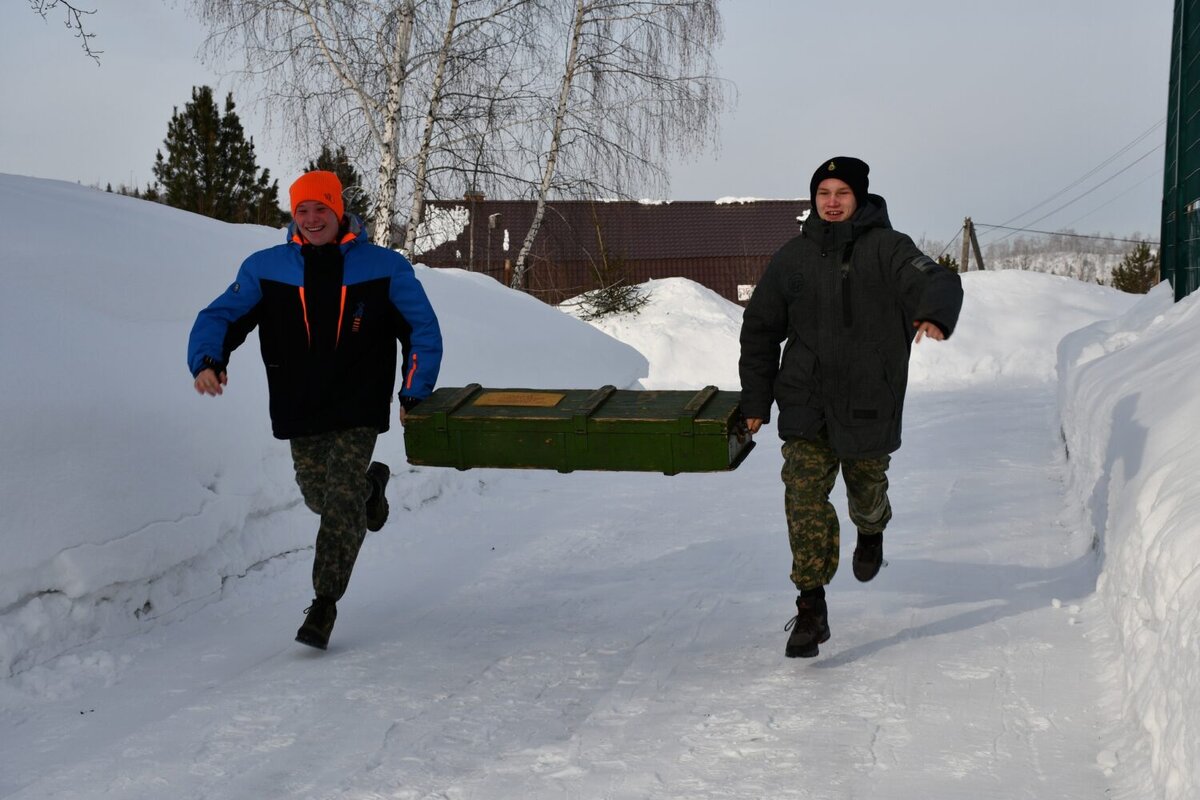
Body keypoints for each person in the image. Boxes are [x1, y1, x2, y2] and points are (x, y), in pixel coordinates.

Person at [188, 170, 443, 651]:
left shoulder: (384, 266)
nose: (310, 219)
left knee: (340, 501)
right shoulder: (266, 267)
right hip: (299, 404)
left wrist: (414, 390)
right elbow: (221, 316)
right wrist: (208, 359)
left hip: (358, 403)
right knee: (319, 498)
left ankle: (324, 603)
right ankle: (372, 486)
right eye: (302, 210)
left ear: (338, 210)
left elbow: (422, 330)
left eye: (320, 209)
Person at [738, 156, 962, 659]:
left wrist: (933, 313)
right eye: (824, 193)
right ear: (814, 199)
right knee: (803, 500)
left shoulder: (889, 249)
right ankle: (811, 609)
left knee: (866, 490)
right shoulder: (791, 258)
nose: (832, 202)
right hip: (805, 404)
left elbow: (937, 278)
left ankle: (872, 528)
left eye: (842, 193)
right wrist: (757, 399)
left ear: (858, 197)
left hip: (868, 402)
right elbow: (759, 331)